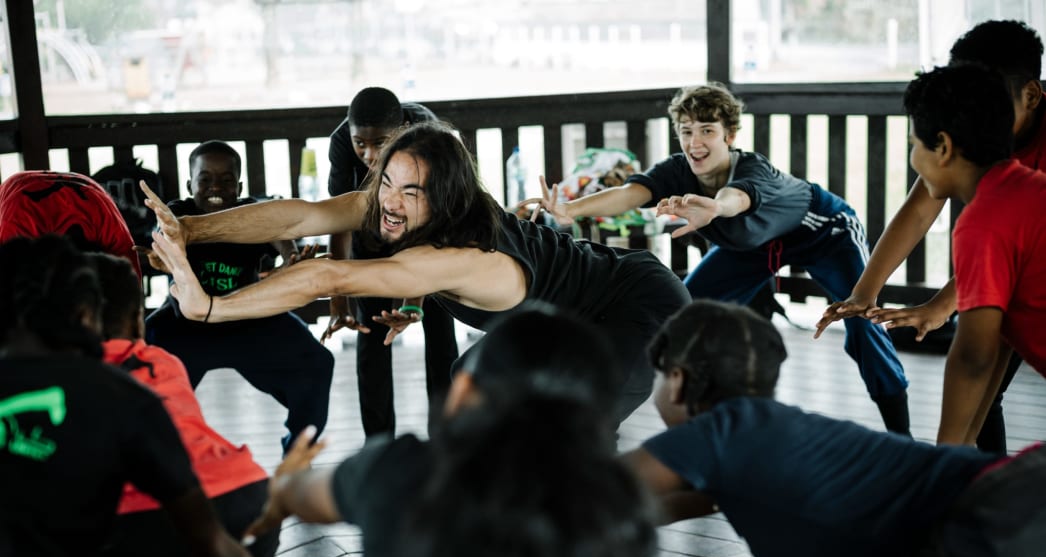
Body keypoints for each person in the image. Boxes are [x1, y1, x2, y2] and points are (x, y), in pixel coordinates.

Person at [624, 298, 1046, 557]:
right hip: (1021, 507)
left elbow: (590, 490)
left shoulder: (718, 429)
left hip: (1002, 529)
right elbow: (671, 502)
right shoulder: (765, 439)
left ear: (676, 381)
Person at [0, 235, 361, 557]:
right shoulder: (126, 389)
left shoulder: (104, 391)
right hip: (238, 497)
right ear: (87, 316)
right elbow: (220, 552)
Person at [144, 121, 691, 424]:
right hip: (552, 323)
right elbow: (303, 213)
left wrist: (212, 308)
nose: (390, 203)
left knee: (570, 439)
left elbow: (330, 276)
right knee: (467, 392)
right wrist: (192, 230)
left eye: (412, 191)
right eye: (387, 182)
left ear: (446, 198)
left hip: (634, 309)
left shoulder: (456, 257)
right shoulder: (398, 210)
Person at [243, 304, 657, 557]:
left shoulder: (400, 471)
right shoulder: (613, 496)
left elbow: (300, 495)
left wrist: (286, 485)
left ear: (462, 392)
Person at [530, 82, 911, 436]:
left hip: (824, 232)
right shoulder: (677, 171)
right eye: (686, 131)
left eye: (707, 130)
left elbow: (737, 198)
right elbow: (632, 192)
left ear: (729, 135)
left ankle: (902, 436)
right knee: (680, 312)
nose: (695, 142)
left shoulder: (753, 170)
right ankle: (691, 424)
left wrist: (714, 207)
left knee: (863, 323)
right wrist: (570, 209)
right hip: (752, 249)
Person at [816, 19, 1046, 454]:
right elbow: (920, 209)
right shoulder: (1004, 180)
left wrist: (942, 306)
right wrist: (865, 291)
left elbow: (974, 357)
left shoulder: (987, 215)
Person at [87, 251, 284, 557]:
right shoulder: (164, 362)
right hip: (246, 493)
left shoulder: (76, 375)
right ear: (138, 320)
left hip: (157, 510)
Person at [145, 140, 334, 451]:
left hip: (248, 321)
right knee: (140, 361)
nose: (215, 187)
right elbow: (163, 235)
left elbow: (280, 234)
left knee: (317, 363)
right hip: (186, 327)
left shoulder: (254, 212)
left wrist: (291, 257)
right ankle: (157, 457)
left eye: (226, 180)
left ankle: (298, 452)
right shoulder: (178, 214)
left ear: (239, 185)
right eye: (204, 179)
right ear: (190, 184)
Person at [899, 63, 1046, 449]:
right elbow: (1000, 341)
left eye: (915, 144)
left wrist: (943, 461)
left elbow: (973, 358)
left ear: (943, 148)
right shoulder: (1030, 190)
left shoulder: (985, 221)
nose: (914, 157)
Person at [327, 86, 459, 438]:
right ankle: (378, 442)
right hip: (371, 237)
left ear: (402, 129)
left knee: (441, 335)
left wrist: (415, 294)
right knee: (371, 339)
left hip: (432, 236)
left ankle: (445, 437)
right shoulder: (342, 143)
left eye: (380, 143)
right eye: (361, 144)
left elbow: (439, 213)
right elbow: (337, 218)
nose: (369, 155)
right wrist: (339, 297)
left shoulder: (428, 135)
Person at [0, 169, 142, 277]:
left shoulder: (114, 237)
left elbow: (132, 298)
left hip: (91, 195)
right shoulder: (16, 229)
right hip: (19, 196)